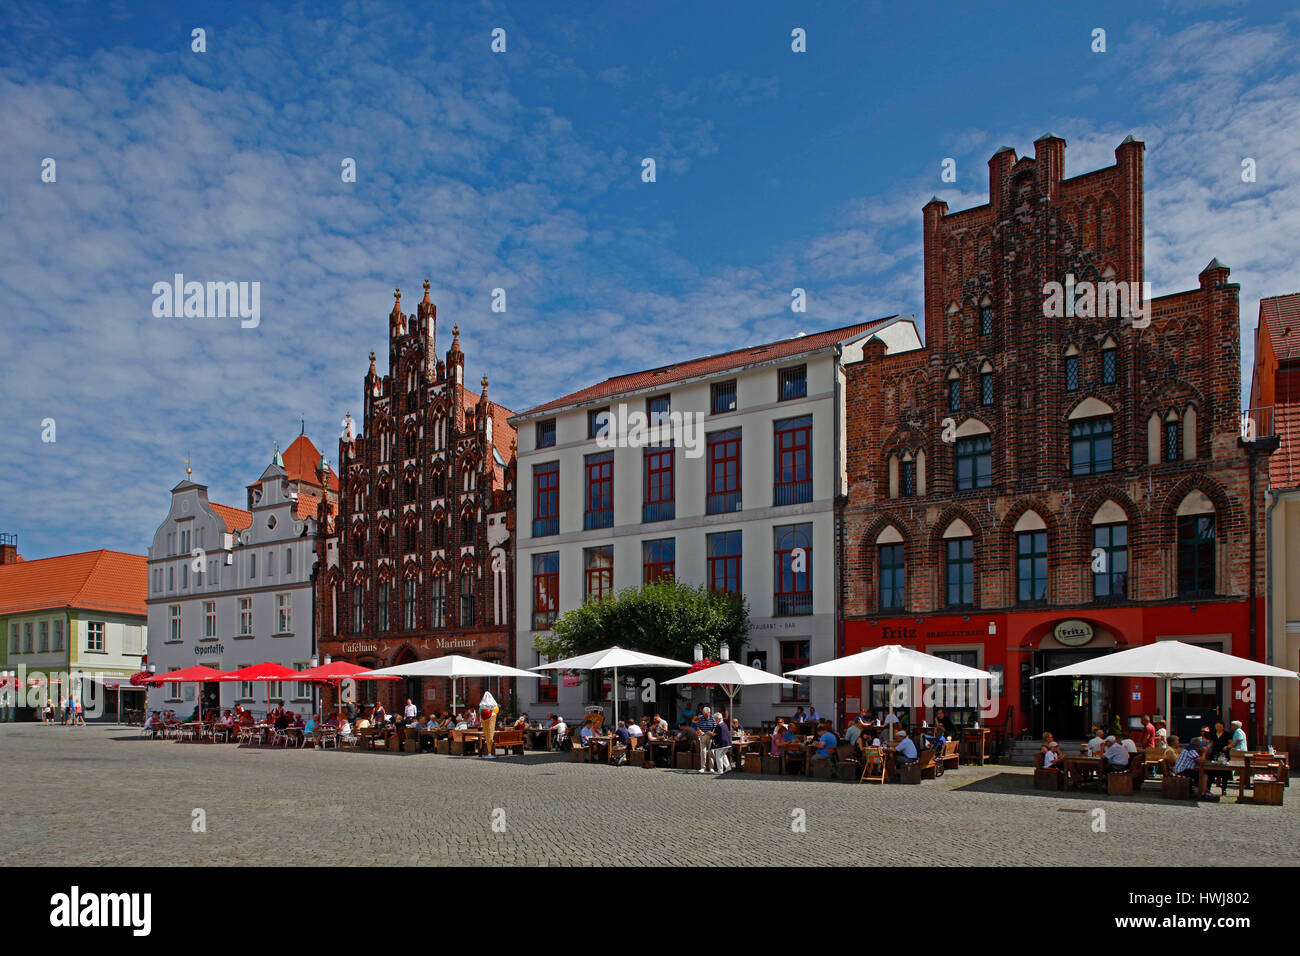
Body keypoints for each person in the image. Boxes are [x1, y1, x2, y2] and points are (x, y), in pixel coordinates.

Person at [696, 707, 718, 773]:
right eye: (704, 714)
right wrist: (700, 731)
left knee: (711, 752)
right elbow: (698, 727)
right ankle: (703, 767)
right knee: (703, 752)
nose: (705, 715)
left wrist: (712, 732)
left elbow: (715, 727)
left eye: (706, 714)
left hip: (710, 737)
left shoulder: (712, 718)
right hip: (703, 736)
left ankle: (711, 767)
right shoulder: (700, 718)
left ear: (709, 713)